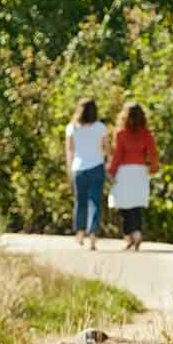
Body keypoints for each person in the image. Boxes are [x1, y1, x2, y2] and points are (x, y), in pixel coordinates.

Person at [107, 101, 159, 251]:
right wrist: (153, 167)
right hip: (139, 171)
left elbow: (117, 155)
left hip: (124, 172)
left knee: (124, 204)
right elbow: (153, 152)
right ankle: (136, 233)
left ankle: (129, 235)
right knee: (136, 205)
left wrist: (111, 171)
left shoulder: (121, 133)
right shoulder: (146, 133)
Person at [64, 98, 107, 250]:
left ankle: (80, 234)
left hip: (79, 168)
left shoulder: (72, 128)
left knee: (80, 202)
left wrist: (69, 168)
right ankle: (93, 236)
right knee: (94, 202)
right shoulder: (100, 127)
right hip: (96, 166)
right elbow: (105, 147)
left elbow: (70, 150)